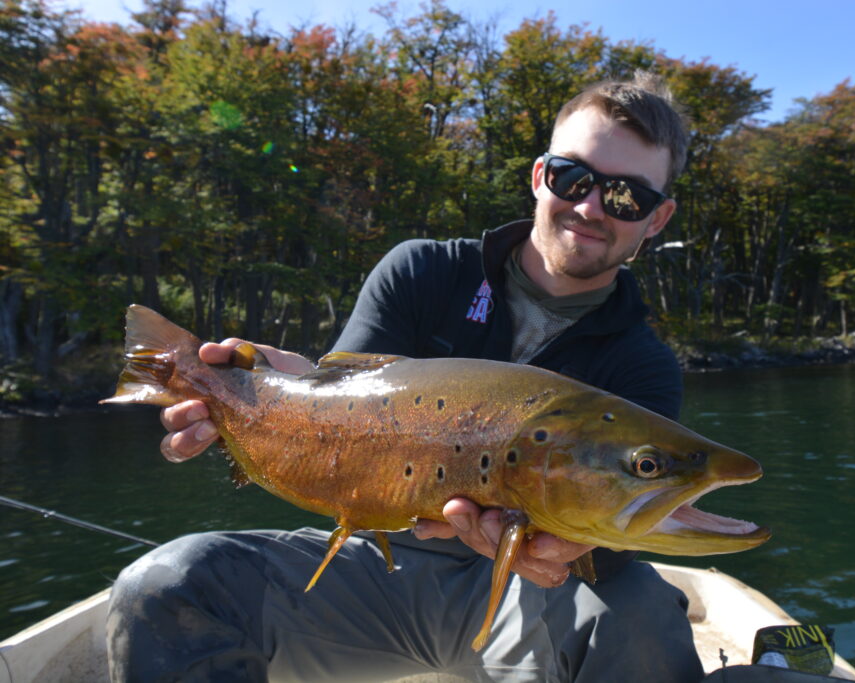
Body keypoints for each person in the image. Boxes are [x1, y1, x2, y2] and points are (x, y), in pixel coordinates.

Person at [107, 71, 704, 682]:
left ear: (657, 219)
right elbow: (342, 415)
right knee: (168, 586)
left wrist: (572, 550)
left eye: (625, 197)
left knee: (641, 616)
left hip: (527, 595)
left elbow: (609, 532)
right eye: (572, 177)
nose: (588, 207)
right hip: (375, 568)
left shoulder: (643, 365)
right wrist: (267, 390)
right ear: (538, 176)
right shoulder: (421, 272)